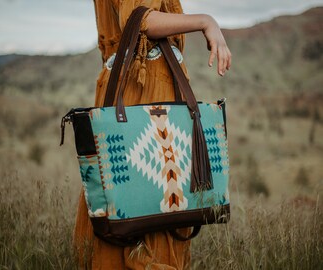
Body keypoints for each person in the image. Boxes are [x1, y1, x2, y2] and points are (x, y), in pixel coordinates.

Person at [73, 0, 231, 269]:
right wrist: (206, 21)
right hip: (145, 94)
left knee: (128, 206)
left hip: (134, 92)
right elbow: (141, 20)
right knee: (153, 213)